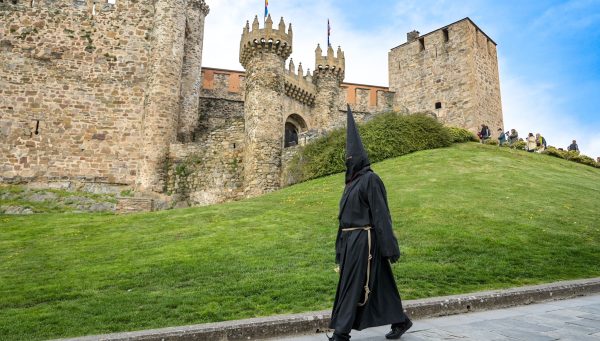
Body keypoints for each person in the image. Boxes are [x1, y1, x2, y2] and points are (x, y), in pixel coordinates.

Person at [329, 105, 412, 341]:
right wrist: (340, 246)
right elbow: (342, 220)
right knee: (379, 282)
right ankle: (401, 320)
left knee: (354, 283)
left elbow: (381, 214)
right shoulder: (349, 185)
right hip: (351, 241)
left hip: (365, 241)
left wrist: (389, 247)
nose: (348, 162)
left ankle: (341, 333)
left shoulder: (371, 180)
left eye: (351, 159)